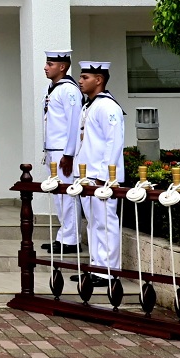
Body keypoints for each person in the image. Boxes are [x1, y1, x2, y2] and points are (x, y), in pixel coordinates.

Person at [64, 61, 125, 285]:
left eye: (85, 77)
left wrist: (106, 175)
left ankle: (108, 271)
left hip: (101, 177)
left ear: (99, 80)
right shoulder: (89, 105)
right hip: (88, 175)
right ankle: (97, 268)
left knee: (105, 223)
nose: (80, 81)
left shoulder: (108, 106)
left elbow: (113, 142)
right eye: (80, 77)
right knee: (92, 223)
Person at [40, 49, 82, 255]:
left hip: (63, 152)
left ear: (63, 67)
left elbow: (74, 123)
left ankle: (72, 240)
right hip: (53, 150)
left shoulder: (69, 90)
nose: (46, 67)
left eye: (50, 64)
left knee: (67, 195)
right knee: (59, 195)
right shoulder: (53, 88)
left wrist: (69, 153)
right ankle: (64, 236)